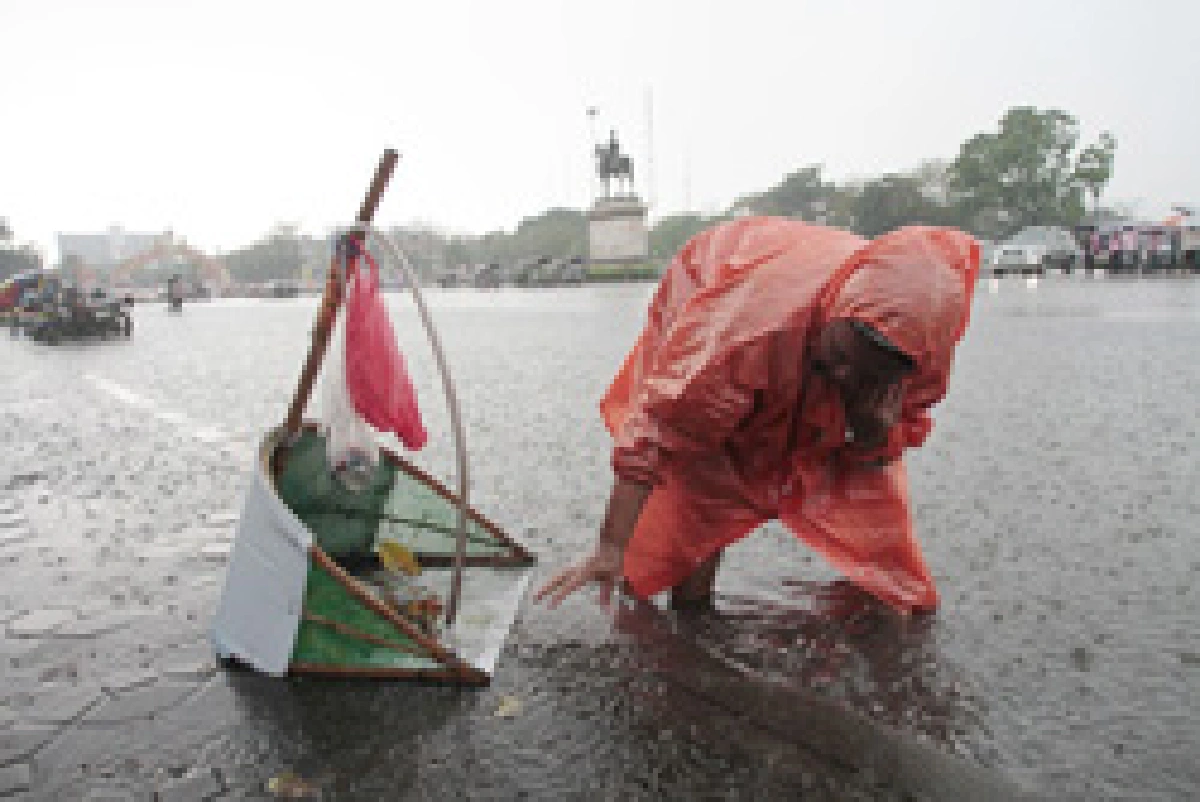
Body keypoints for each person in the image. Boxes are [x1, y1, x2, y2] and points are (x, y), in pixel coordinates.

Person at [536, 217, 979, 615]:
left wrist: (872, 433)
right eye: (842, 356)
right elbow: (660, 429)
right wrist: (611, 547)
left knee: (879, 525)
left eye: (867, 375)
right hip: (726, 293)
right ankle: (691, 608)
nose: (845, 376)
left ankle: (883, 620)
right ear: (836, 312)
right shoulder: (743, 336)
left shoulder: (921, 359)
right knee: (707, 472)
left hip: (799, 323)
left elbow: (887, 448)